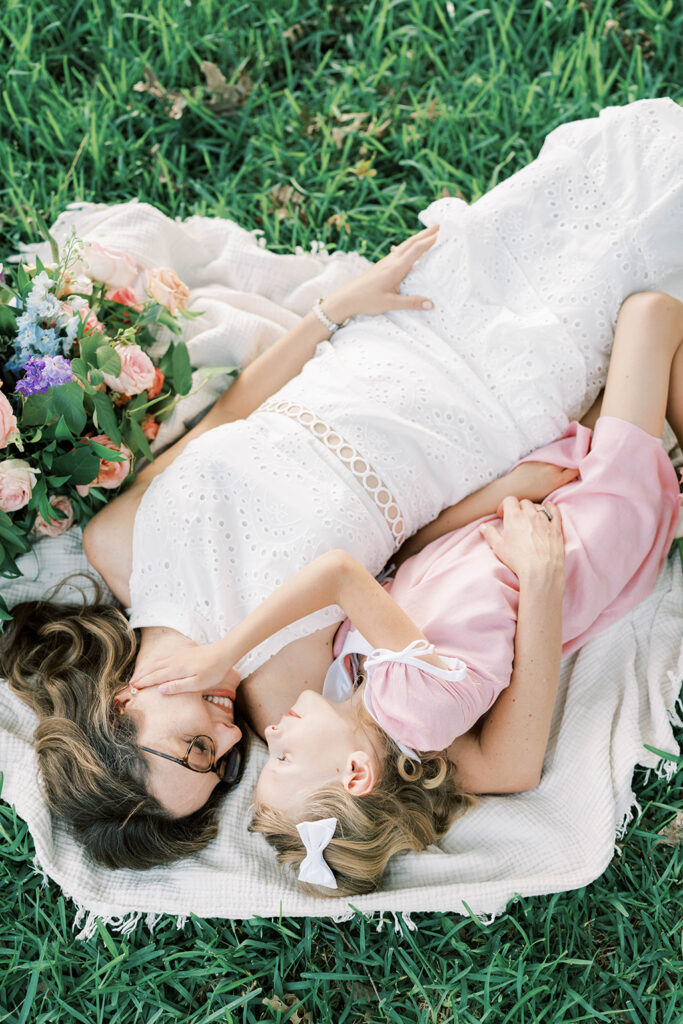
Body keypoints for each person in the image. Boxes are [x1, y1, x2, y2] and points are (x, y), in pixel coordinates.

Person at [3, 99, 682, 870]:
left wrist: (330, 310)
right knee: (649, 244)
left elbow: (231, 412)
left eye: (193, 744)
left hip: (389, 339)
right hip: (481, 411)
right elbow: (418, 582)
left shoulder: (113, 544)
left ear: (121, 707)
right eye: (222, 765)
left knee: (615, 163)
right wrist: (513, 491)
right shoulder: (288, 696)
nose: (228, 741)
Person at [131, 291, 682, 896]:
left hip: (529, 514)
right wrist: (225, 652)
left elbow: (411, 564)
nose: (269, 739)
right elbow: (342, 573)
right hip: (587, 532)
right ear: (358, 772)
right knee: (650, 315)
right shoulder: (416, 709)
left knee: (637, 372)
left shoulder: (357, 682)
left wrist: (501, 494)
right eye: (282, 760)